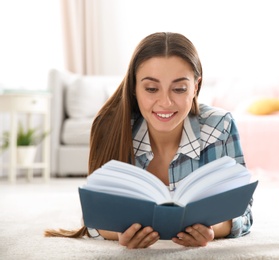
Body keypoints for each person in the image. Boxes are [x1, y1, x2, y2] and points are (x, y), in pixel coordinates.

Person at [45, 32, 253, 248]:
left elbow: (242, 213)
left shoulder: (220, 126)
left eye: (179, 89)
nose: (165, 102)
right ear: (134, 87)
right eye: (151, 89)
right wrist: (120, 234)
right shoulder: (111, 127)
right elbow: (94, 219)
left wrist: (211, 231)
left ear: (196, 87)